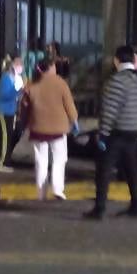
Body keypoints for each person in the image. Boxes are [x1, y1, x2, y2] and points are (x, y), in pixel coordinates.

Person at [85, 45, 137, 220]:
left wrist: (102, 134)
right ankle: (136, 205)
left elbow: (109, 111)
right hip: (134, 131)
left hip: (117, 133)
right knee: (132, 169)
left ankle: (99, 208)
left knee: (104, 170)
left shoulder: (115, 82)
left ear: (116, 60)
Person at [22, 58, 79, 201]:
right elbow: (69, 106)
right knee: (59, 159)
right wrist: (74, 121)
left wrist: (25, 123)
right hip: (58, 129)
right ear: (51, 68)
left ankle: (41, 193)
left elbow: (24, 108)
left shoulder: (31, 85)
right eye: (54, 67)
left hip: (37, 128)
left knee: (41, 161)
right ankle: (57, 189)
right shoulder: (61, 84)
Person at [0, 54, 26, 173]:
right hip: (3, 111)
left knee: (8, 136)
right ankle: (2, 162)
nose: (21, 69)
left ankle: (5, 160)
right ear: (15, 66)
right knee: (6, 137)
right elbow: (4, 95)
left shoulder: (13, 78)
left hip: (9, 111)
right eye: (20, 66)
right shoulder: (6, 78)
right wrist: (18, 91)